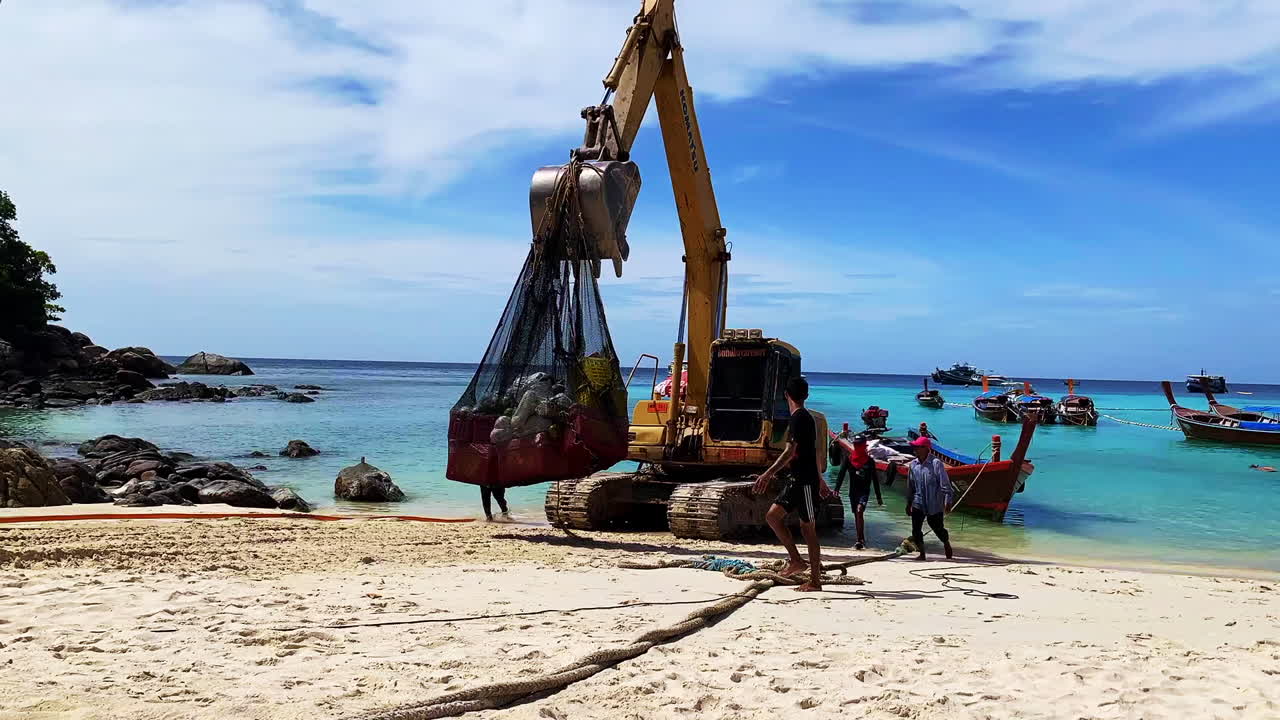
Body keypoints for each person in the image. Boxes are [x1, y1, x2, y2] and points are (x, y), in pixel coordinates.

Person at [753, 376, 835, 592]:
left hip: (805, 482)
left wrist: (768, 474)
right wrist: (822, 479)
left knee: (808, 529)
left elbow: (790, 451)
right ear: (806, 395)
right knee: (772, 516)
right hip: (796, 479)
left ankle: (815, 581)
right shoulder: (802, 418)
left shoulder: (800, 419)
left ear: (786, 395)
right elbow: (814, 452)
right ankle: (796, 560)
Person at [905, 436, 953, 560]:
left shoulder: (936, 464)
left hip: (934, 503)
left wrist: (948, 502)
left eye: (917, 447)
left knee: (937, 528)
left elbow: (945, 485)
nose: (914, 449)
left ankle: (946, 543)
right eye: (914, 447)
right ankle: (922, 553)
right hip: (918, 502)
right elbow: (911, 486)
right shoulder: (913, 465)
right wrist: (908, 503)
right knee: (916, 530)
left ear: (926, 449)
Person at [833, 434, 882, 550]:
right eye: (855, 445)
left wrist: (879, 497)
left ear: (864, 446)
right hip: (853, 492)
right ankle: (860, 539)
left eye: (859, 445)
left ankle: (860, 539)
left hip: (864, 491)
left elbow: (875, 479)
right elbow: (841, 474)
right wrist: (836, 489)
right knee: (856, 514)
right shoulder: (849, 459)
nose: (857, 446)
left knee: (859, 511)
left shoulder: (869, 461)